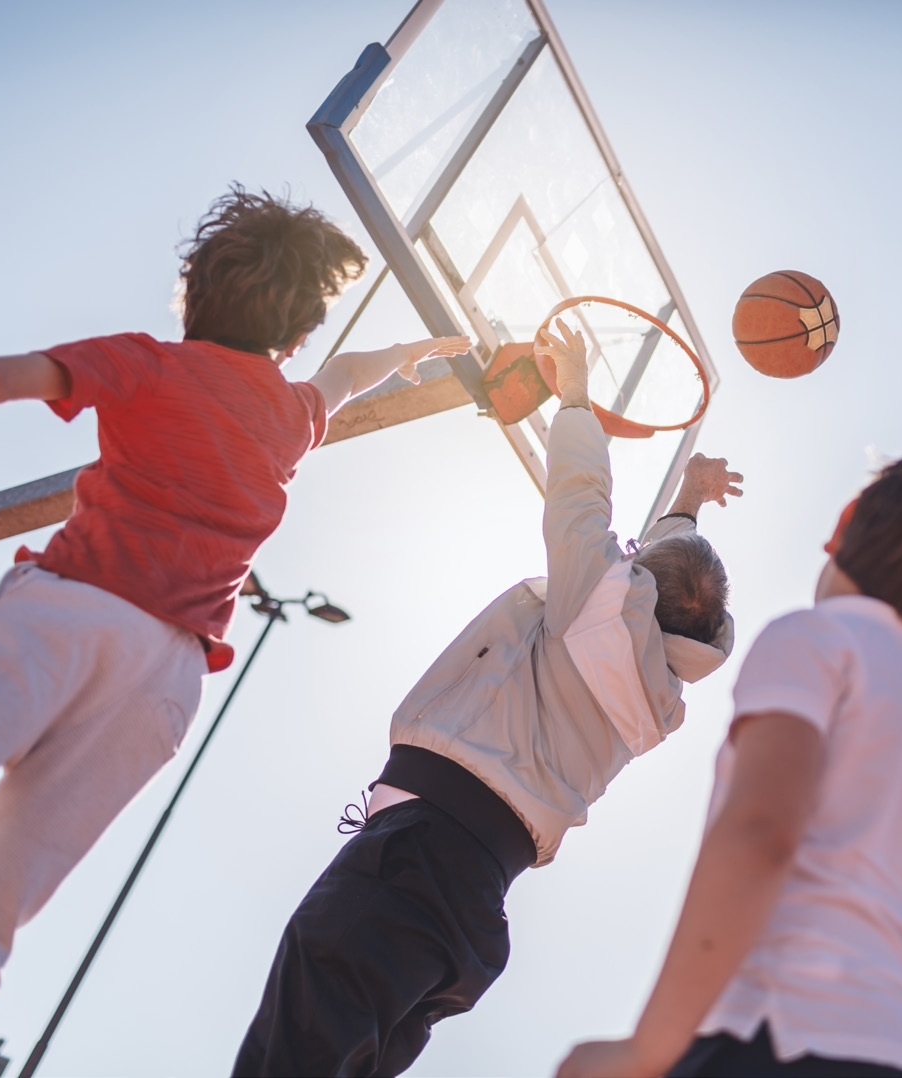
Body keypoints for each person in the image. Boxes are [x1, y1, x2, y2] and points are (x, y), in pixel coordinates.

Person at [0, 185, 469, 1078]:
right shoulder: (289, 414)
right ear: (297, 332)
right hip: (161, 687)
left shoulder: (149, 364)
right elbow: (354, 371)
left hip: (69, 613)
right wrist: (431, 348)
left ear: (195, 290)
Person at [233, 319, 744, 1077]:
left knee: (292, 1055)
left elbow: (581, 501)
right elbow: (664, 590)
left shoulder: (602, 608)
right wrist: (686, 504)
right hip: (468, 907)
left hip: (420, 860)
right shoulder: (656, 686)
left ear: (637, 584)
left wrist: (575, 395)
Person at [556, 436, 902, 1078]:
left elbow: (761, 832)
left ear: (843, 523)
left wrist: (649, 1049)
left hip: (779, 1034)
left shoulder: (816, 639)